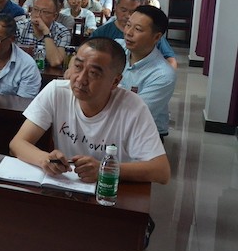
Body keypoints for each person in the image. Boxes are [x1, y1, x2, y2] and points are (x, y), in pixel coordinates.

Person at [10, 38, 170, 185]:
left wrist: (104, 169)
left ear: (115, 81)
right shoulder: (56, 91)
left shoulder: (133, 107)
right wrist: (44, 159)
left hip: (110, 191)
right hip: (66, 185)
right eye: (77, 67)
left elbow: (161, 171)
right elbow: (17, 143)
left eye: (93, 73)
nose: (80, 79)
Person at [118, 6, 177, 137]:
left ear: (156, 37)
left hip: (144, 133)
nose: (128, 33)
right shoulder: (116, 48)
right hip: (110, 122)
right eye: (128, 25)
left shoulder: (163, 74)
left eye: (138, 29)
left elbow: (135, 115)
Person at [90, 0, 178, 68]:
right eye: (123, 10)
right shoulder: (101, 33)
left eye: (133, 11)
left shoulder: (150, 34)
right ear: (115, 7)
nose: (128, 16)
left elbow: (171, 60)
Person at [15, 0, 70, 67]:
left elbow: (55, 62)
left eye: (45, 12)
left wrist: (46, 32)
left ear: (54, 16)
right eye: (35, 9)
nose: (38, 15)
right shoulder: (19, 27)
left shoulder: (62, 32)